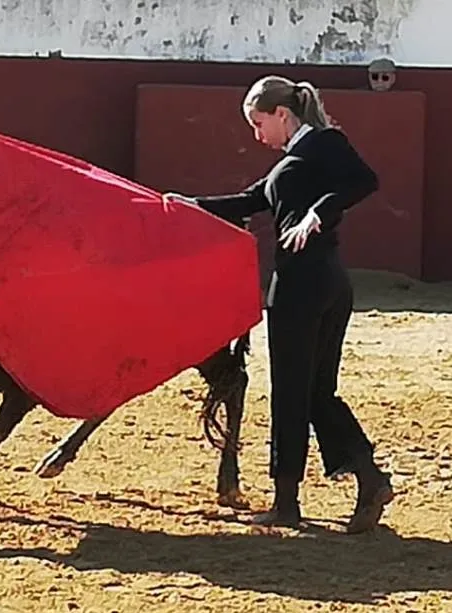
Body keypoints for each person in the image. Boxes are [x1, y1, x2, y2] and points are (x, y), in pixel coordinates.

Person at [162, 76, 394, 533]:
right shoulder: (293, 161)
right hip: (326, 282)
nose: (257, 134)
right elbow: (251, 200)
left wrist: (317, 213)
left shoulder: (324, 143)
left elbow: (364, 181)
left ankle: (287, 502)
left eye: (259, 122)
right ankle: (369, 478)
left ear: (283, 115)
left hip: (303, 285)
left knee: (293, 392)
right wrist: (190, 204)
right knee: (314, 393)